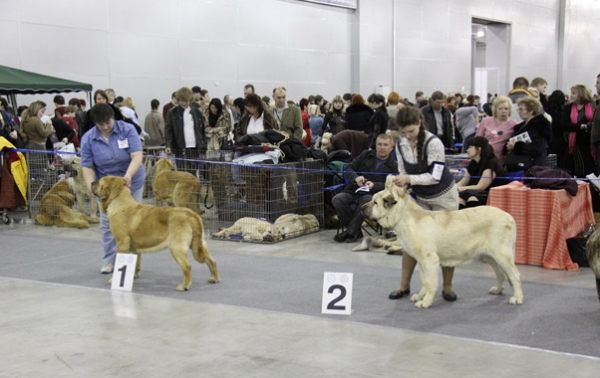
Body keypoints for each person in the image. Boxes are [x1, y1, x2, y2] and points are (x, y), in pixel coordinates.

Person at [390, 105, 459, 302]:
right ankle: (404, 285)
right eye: (403, 132)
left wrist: (409, 180)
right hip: (421, 199)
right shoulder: (401, 144)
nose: (408, 136)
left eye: (411, 131)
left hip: (444, 197)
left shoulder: (434, 143)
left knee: (446, 243)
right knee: (411, 243)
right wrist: (401, 187)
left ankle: (447, 287)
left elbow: (435, 177)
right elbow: (403, 173)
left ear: (420, 123)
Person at [81, 103, 145, 274]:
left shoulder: (128, 130)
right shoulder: (88, 138)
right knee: (108, 224)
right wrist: (91, 186)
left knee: (132, 222)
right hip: (106, 189)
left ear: (113, 117)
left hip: (131, 182)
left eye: (108, 122)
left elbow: (137, 155)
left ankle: (131, 262)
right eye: (101, 125)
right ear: (95, 123)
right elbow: (87, 166)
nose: (106, 127)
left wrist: (129, 174)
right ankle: (110, 260)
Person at [332, 134, 398, 243]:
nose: (382, 147)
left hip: (374, 195)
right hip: (353, 190)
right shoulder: (365, 155)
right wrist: (356, 178)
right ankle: (355, 231)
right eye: (380, 144)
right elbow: (348, 168)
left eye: (385, 145)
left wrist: (374, 185)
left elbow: (392, 185)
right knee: (337, 199)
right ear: (375, 145)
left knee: (367, 201)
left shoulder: (394, 165)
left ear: (391, 148)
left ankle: (351, 232)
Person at [456, 137, 507, 208]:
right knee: (458, 199)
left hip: (491, 194)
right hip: (473, 192)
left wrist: (458, 189)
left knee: (472, 198)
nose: (467, 150)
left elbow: (480, 187)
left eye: (470, 147)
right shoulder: (473, 163)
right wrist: (453, 187)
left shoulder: (491, 163)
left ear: (479, 149)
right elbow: (463, 182)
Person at [504, 97, 552, 173]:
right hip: (522, 165)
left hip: (533, 167)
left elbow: (538, 147)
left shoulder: (539, 126)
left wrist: (516, 146)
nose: (519, 112)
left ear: (531, 111)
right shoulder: (522, 126)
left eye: (521, 109)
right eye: (518, 109)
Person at [164, 87, 206, 168]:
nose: (184, 103)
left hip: (194, 148)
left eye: (186, 101)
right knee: (181, 173)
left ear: (190, 100)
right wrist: (168, 145)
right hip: (179, 148)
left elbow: (202, 130)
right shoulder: (172, 113)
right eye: (181, 101)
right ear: (178, 100)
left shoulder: (197, 112)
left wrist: (203, 146)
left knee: (192, 174)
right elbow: (168, 130)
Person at [561, 84, 595, 178]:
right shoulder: (568, 108)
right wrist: (581, 126)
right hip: (574, 144)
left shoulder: (592, 106)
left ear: (581, 94)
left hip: (588, 144)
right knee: (574, 169)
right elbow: (564, 125)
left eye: (574, 93)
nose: (571, 95)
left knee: (588, 169)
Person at [475, 95, 517, 165]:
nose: (503, 111)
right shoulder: (486, 121)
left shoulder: (514, 124)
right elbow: (477, 140)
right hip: (484, 159)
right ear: (495, 109)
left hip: (502, 161)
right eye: (500, 109)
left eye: (506, 109)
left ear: (510, 110)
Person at [547, 90, 567, 169]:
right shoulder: (564, 112)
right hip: (561, 139)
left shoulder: (547, 112)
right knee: (560, 161)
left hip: (550, 139)